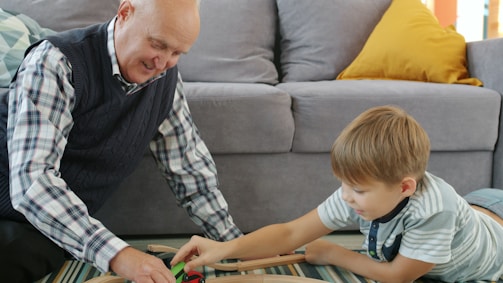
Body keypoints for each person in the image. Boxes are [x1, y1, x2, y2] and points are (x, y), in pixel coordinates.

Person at [0, 0, 243, 282]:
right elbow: (33, 181)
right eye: (158, 44)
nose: (163, 62)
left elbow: (188, 168)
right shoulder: (55, 61)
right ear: (125, 13)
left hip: (45, 225)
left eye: (177, 52)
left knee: (40, 250)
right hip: (17, 202)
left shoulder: (164, 78)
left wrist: (233, 244)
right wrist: (120, 255)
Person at [171, 105, 503, 282]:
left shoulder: (433, 212)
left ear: (404, 188)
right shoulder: (361, 191)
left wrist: (335, 254)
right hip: (479, 205)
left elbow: (399, 276)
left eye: (356, 189)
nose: (345, 196)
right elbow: (291, 232)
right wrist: (227, 248)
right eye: (344, 184)